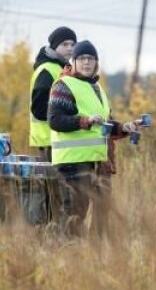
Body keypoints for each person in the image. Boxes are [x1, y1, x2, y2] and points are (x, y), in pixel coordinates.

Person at [48, 40, 141, 236]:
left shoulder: (97, 88)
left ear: (96, 63)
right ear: (73, 62)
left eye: (91, 59)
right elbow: (55, 120)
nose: (86, 62)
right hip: (74, 163)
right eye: (81, 58)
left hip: (100, 163)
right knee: (75, 218)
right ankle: (69, 260)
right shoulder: (63, 86)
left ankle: (96, 261)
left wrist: (124, 127)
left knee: (102, 219)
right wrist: (86, 121)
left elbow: (105, 125)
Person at [29, 26, 77, 161]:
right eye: (65, 44)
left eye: (73, 44)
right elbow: (38, 109)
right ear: (54, 46)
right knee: (53, 182)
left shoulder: (62, 68)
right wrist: (64, 118)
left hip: (57, 141)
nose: (69, 48)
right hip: (49, 141)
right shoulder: (48, 70)